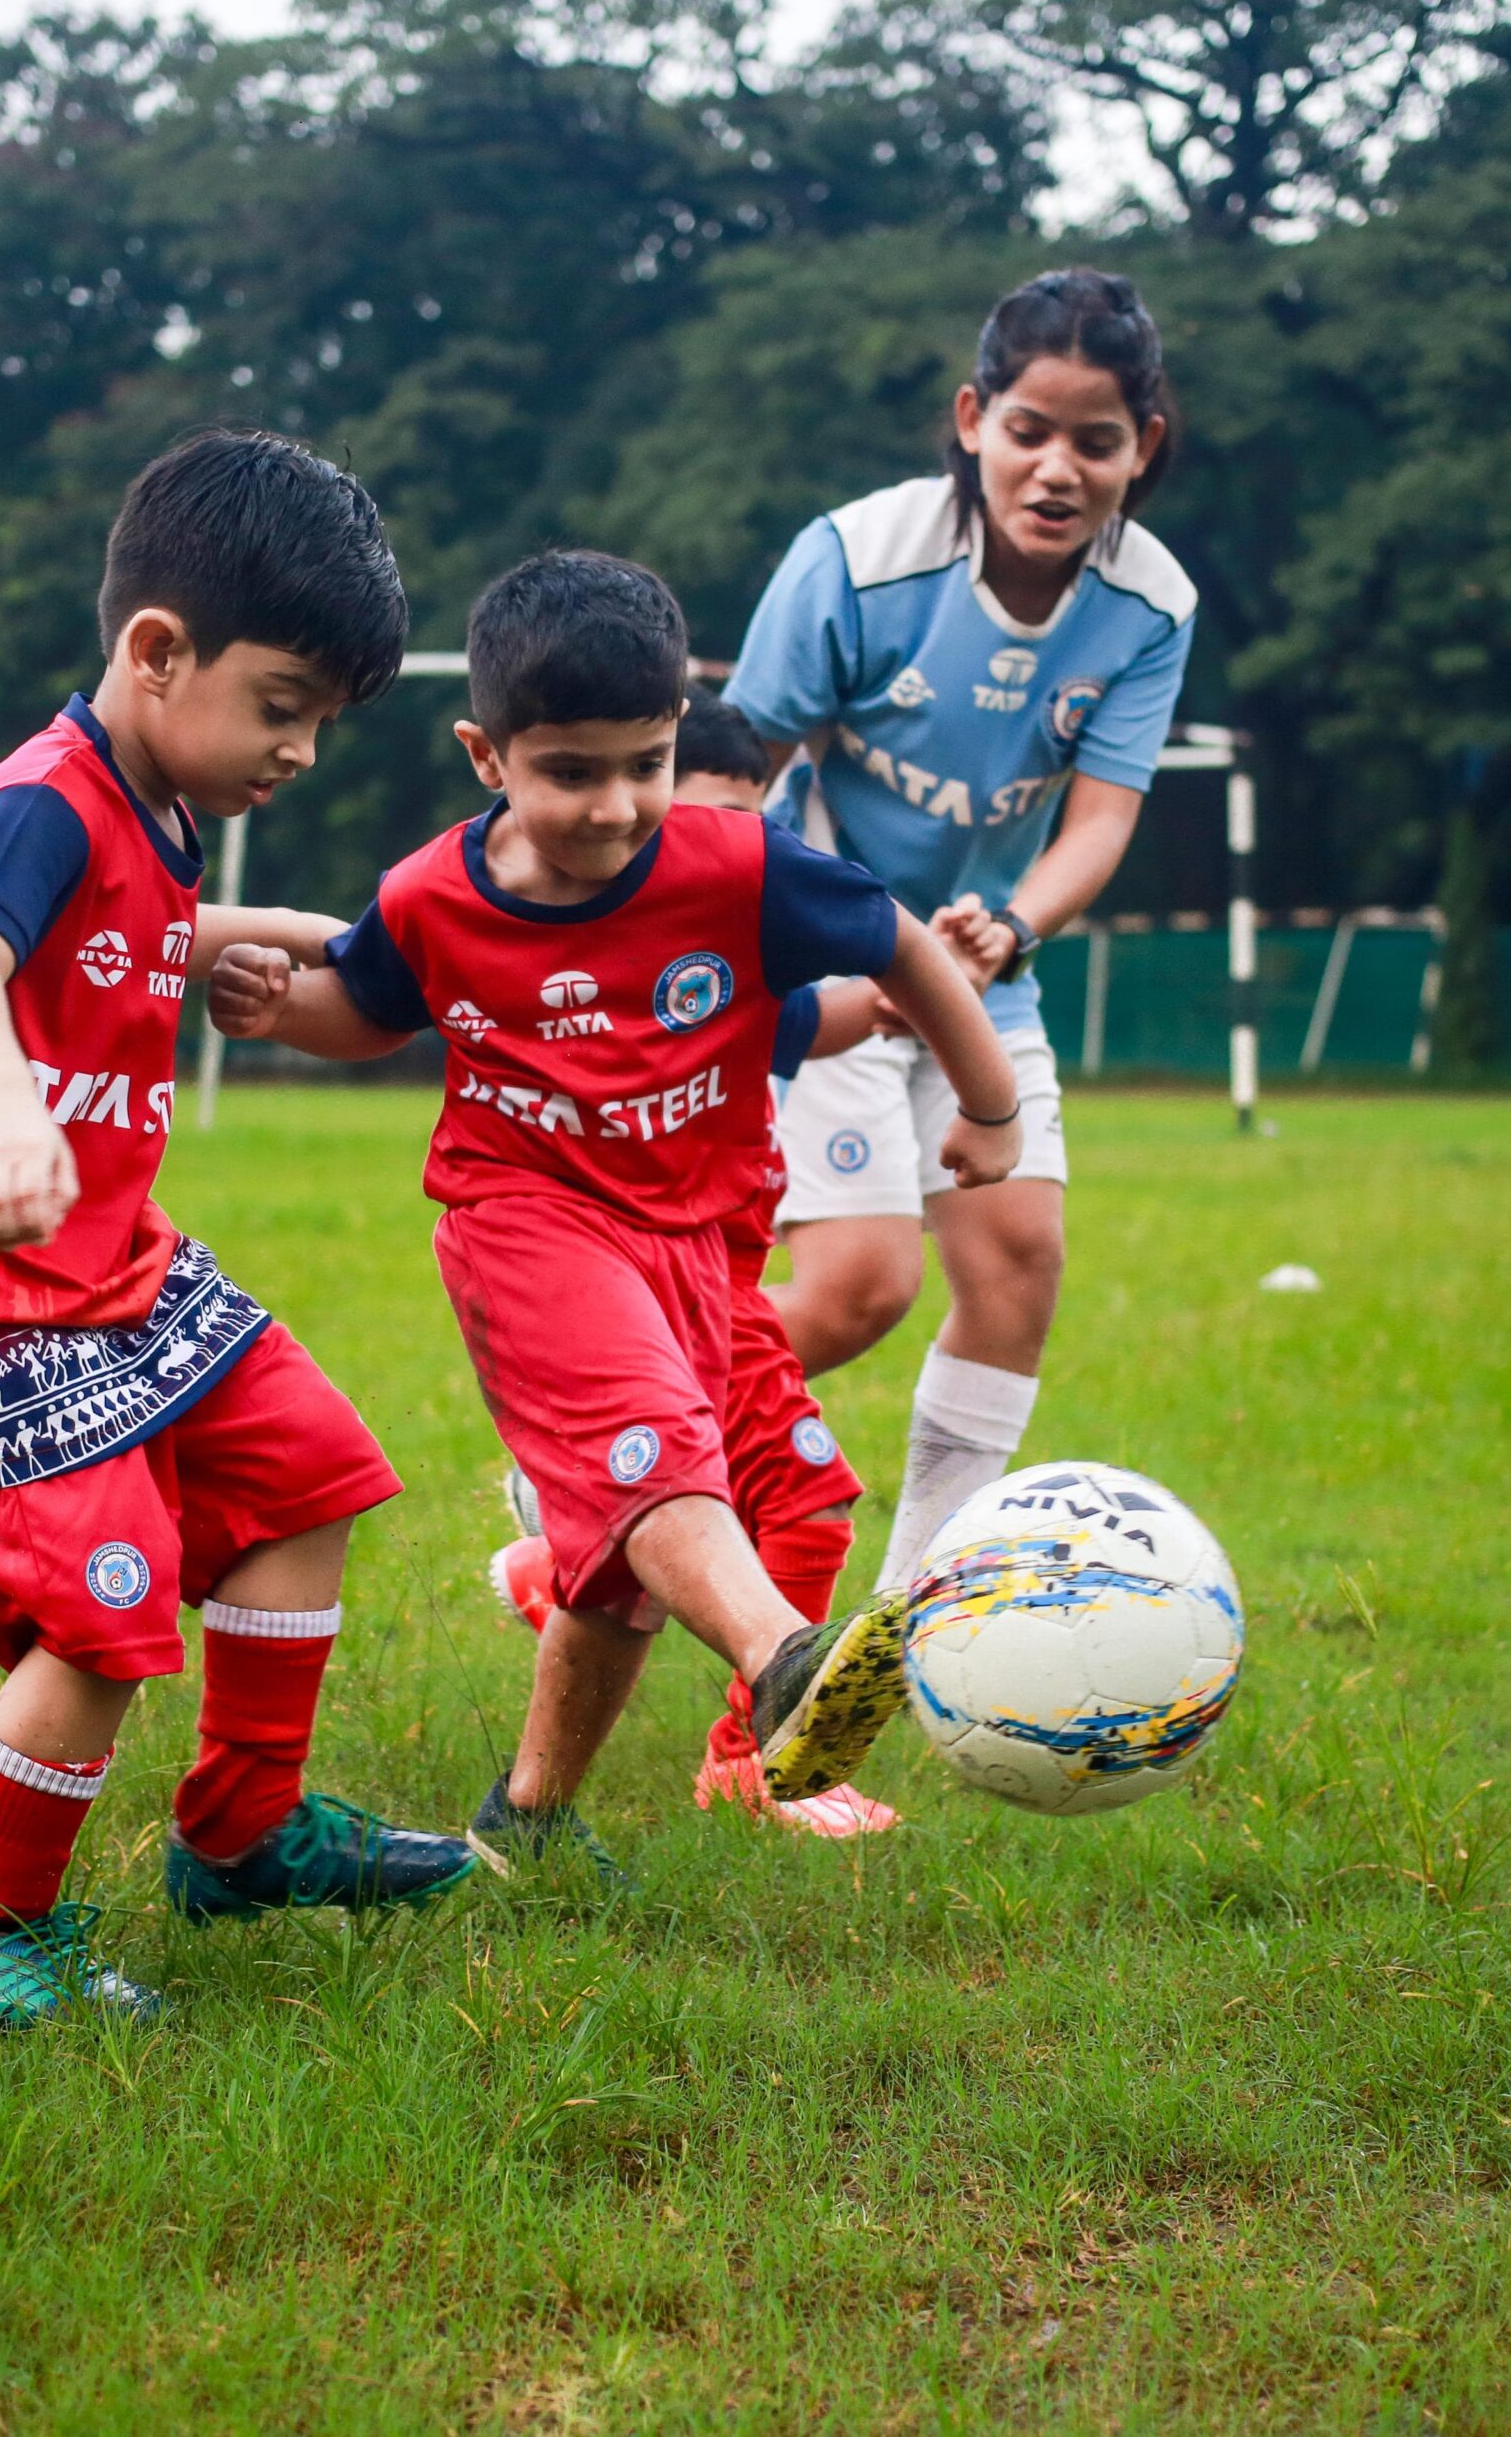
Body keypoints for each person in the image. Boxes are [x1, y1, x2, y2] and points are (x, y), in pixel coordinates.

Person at [207, 553, 1022, 1879]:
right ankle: (784, 1661)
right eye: (573, 771)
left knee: (623, 1569)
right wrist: (277, 1009)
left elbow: (898, 947)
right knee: (662, 1462)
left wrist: (990, 1107)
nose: (616, 805)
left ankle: (525, 1822)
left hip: (700, 1246)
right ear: (488, 754)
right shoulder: (430, 896)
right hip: (521, 1222)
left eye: (645, 764)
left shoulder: (739, 866)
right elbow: (365, 1010)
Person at [0, 427, 475, 2032]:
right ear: (157, 650)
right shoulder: (35, 805)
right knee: (102, 1612)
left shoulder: (159, 805)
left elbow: (127, 929)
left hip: (111, 1266)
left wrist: (224, 943)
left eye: (321, 723)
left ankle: (245, 1830)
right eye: (283, 710)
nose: (302, 753)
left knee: (312, 1469)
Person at [725, 267, 1196, 1595]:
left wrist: (1016, 923)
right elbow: (736, 779)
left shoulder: (1152, 605)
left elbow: (1100, 822)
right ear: (973, 417)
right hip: (829, 962)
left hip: (986, 971)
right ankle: (614, 1447)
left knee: (1018, 1263)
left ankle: (914, 1615)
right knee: (861, 1286)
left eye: (1095, 442)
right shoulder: (855, 562)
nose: (1058, 468)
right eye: (1030, 431)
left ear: (1140, 449)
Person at [484, 691, 897, 1841]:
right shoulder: (606, 968)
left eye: (748, 827)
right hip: (646, 1285)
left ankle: (556, 1568)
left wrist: (920, 985)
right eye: (705, 822)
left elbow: (831, 1014)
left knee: (726, 1517)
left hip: (710, 1290)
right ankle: (754, 1766)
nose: (727, 857)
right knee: (805, 1504)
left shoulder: (731, 949)